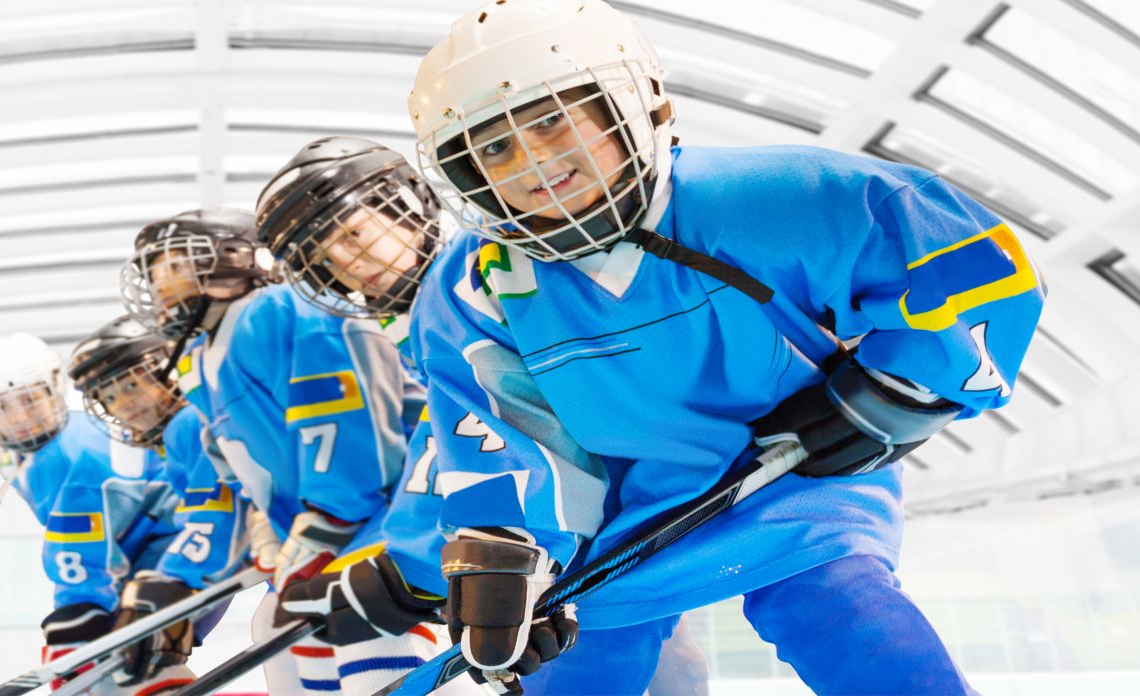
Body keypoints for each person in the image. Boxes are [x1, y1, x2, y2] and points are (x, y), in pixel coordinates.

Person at [404, 1, 1043, 692]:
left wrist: (889, 396)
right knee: (583, 671)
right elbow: (497, 428)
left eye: (551, 118)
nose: (533, 160)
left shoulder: (772, 198)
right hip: (628, 517)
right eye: (493, 147)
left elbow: (975, 268)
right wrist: (507, 561)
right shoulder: (475, 288)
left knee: (846, 616)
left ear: (633, 101)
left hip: (798, 471)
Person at [254, 135, 706, 694]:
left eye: (353, 233)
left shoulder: (476, 274)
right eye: (325, 258)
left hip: (590, 514)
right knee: (667, 664)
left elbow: (476, 431)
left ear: (406, 205)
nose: (350, 262)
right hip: (589, 522)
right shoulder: (412, 320)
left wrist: (409, 570)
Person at [122, 208, 429, 695]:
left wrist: (326, 523)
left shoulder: (285, 311)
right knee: (279, 626)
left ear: (237, 258)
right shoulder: (202, 358)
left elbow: (345, 427)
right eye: (156, 273)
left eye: (176, 266)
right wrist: (258, 533)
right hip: (337, 528)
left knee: (366, 625)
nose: (161, 285)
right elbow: (232, 468)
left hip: (394, 517)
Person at [0, 331, 188, 694]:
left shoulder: (79, 452)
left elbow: (80, 548)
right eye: (0, 407)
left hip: (179, 549)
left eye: (30, 400)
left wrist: (77, 617)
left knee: (128, 661)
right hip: (146, 552)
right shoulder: (23, 455)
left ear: (54, 390)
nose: (20, 418)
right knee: (122, 663)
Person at [67, 315, 248, 691]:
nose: (125, 404)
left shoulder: (189, 424)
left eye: (132, 384)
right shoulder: (174, 437)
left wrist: (167, 587)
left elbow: (218, 518)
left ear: (165, 369)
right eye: (110, 396)